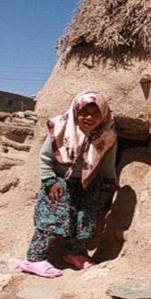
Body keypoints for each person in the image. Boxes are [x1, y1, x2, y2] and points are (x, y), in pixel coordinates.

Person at [19, 91, 118, 278]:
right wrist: (49, 181)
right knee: (51, 220)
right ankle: (34, 259)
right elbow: (45, 157)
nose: (89, 118)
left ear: (103, 115)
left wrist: (109, 182)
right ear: (75, 111)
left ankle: (75, 253)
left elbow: (107, 162)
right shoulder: (61, 128)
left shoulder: (107, 135)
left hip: (88, 184)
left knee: (84, 221)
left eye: (95, 114)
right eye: (84, 112)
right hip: (59, 183)